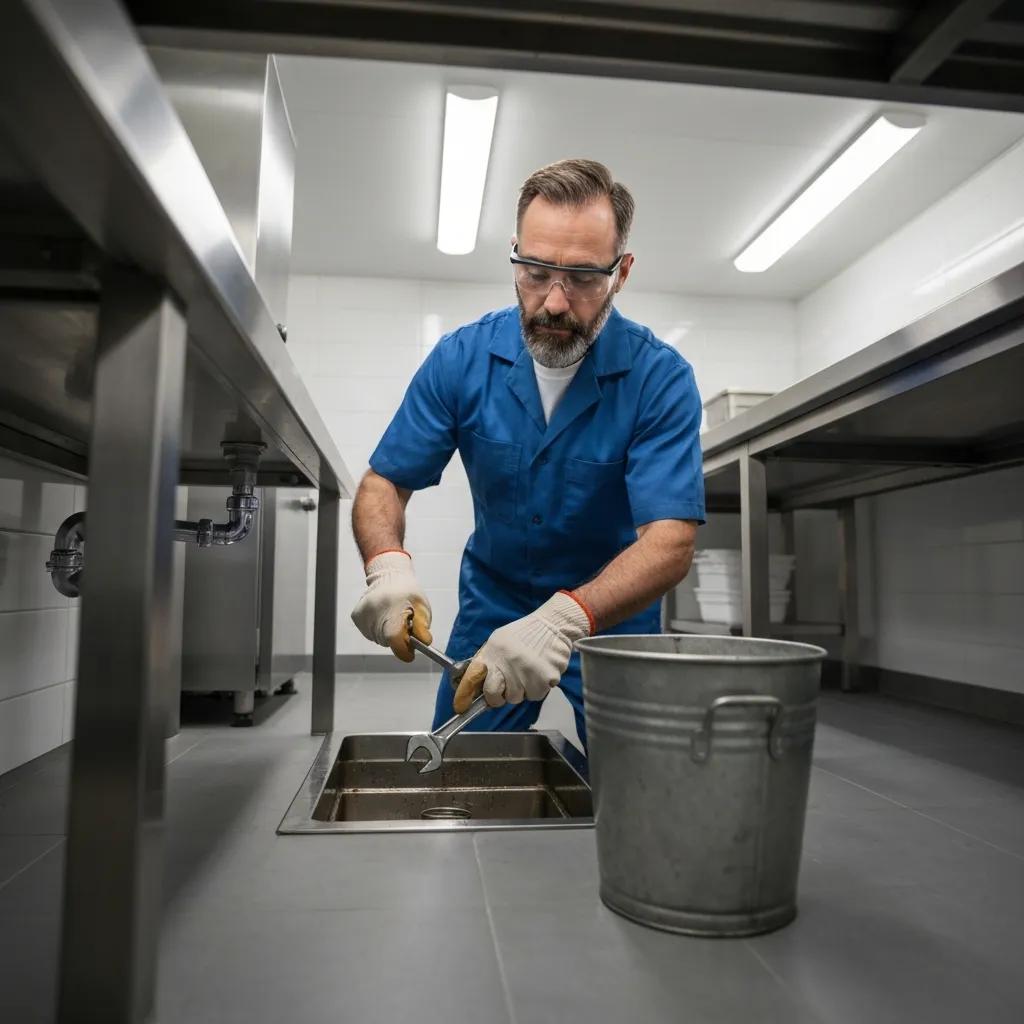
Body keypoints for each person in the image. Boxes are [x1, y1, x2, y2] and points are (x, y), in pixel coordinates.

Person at [350, 158, 704, 748]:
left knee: (637, 787)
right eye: (536, 271)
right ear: (514, 254)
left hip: (611, 616)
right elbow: (383, 483)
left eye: (585, 277)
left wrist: (565, 619)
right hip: (497, 602)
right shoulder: (460, 359)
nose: (556, 302)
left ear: (622, 272)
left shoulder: (659, 377)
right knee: (460, 769)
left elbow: (670, 543)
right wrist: (387, 564)